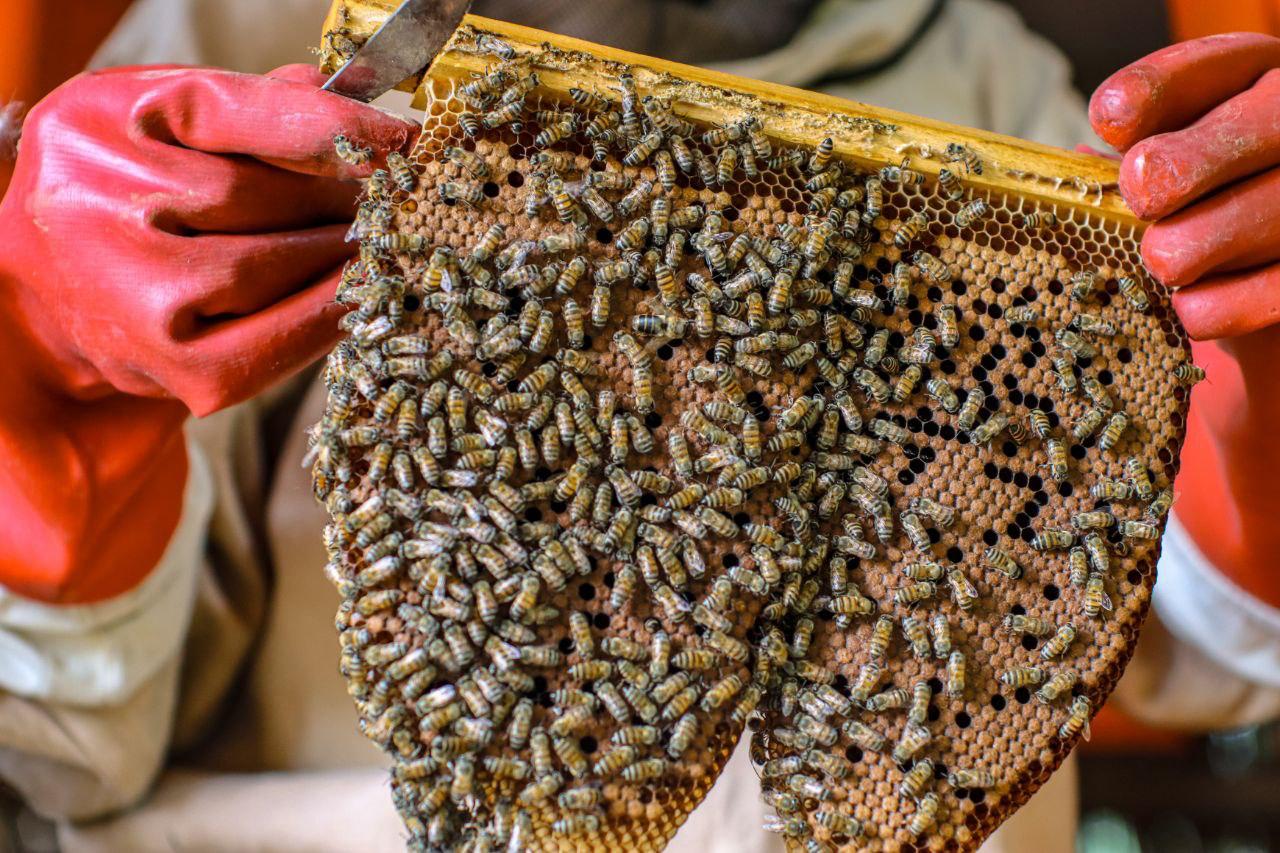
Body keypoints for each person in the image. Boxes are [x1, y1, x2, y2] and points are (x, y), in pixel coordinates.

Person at [1, 1, 1278, 850]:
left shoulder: (992, 79)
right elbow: (65, 743)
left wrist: (1260, 386)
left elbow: (1172, 638)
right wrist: (41, 373)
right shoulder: (234, 35)